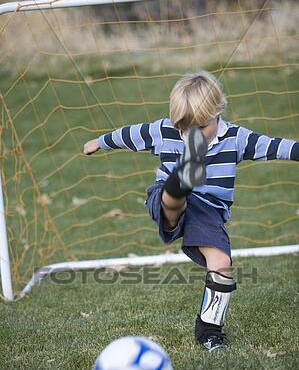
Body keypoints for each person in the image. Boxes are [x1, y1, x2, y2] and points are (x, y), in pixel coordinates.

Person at [83, 70, 299, 351]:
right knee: (172, 200)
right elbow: (132, 134)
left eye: (199, 128)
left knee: (221, 262)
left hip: (208, 211)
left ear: (218, 113)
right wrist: (101, 141)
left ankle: (209, 330)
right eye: (184, 129)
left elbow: (274, 147)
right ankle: (182, 180)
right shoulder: (165, 131)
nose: (189, 134)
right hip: (163, 198)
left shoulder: (235, 138)